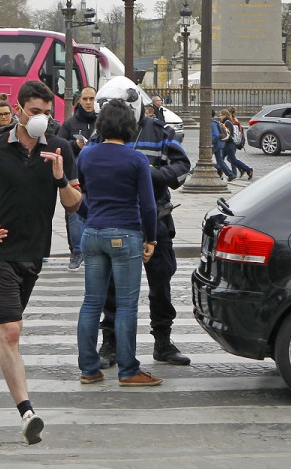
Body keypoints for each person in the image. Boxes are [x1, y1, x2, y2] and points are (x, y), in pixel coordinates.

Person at [0, 80, 81, 445]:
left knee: (4, 322)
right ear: (19, 110)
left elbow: (74, 204)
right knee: (11, 330)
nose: (41, 118)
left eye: (46, 112)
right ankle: (27, 413)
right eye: (34, 111)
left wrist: (59, 178)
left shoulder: (60, 148)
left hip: (34, 249)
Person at [93, 76, 193, 368]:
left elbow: (182, 169)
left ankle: (163, 341)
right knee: (111, 286)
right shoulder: (103, 134)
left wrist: (148, 173)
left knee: (160, 284)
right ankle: (109, 343)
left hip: (157, 220)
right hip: (119, 221)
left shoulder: (161, 132)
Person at [76, 99, 161, 387]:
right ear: (129, 126)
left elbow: (83, 195)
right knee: (126, 306)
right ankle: (128, 370)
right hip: (125, 232)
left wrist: (92, 220)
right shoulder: (136, 159)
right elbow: (148, 206)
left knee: (91, 303)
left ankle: (89, 368)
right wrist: (151, 238)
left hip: (92, 233)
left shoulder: (86, 155)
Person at [57, 85, 98, 271]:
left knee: (95, 215)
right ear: (79, 100)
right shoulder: (70, 123)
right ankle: (77, 251)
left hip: (97, 177)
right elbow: (59, 145)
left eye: (92, 99)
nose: (89, 102)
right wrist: (74, 145)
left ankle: (94, 251)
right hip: (75, 177)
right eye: (85, 99)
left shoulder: (102, 122)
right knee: (74, 216)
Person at [221, 107, 253, 180]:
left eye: (221, 115)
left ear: (226, 114)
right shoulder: (230, 121)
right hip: (228, 144)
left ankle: (246, 170)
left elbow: (229, 134)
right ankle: (226, 174)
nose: (220, 116)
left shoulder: (230, 122)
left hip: (230, 143)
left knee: (232, 159)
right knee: (222, 159)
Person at [212, 110, 234, 181]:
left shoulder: (212, 123)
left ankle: (193, 170)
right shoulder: (215, 122)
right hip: (219, 144)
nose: (220, 116)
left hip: (214, 145)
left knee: (204, 159)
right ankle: (230, 174)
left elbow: (215, 135)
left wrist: (210, 142)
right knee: (220, 161)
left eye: (221, 115)